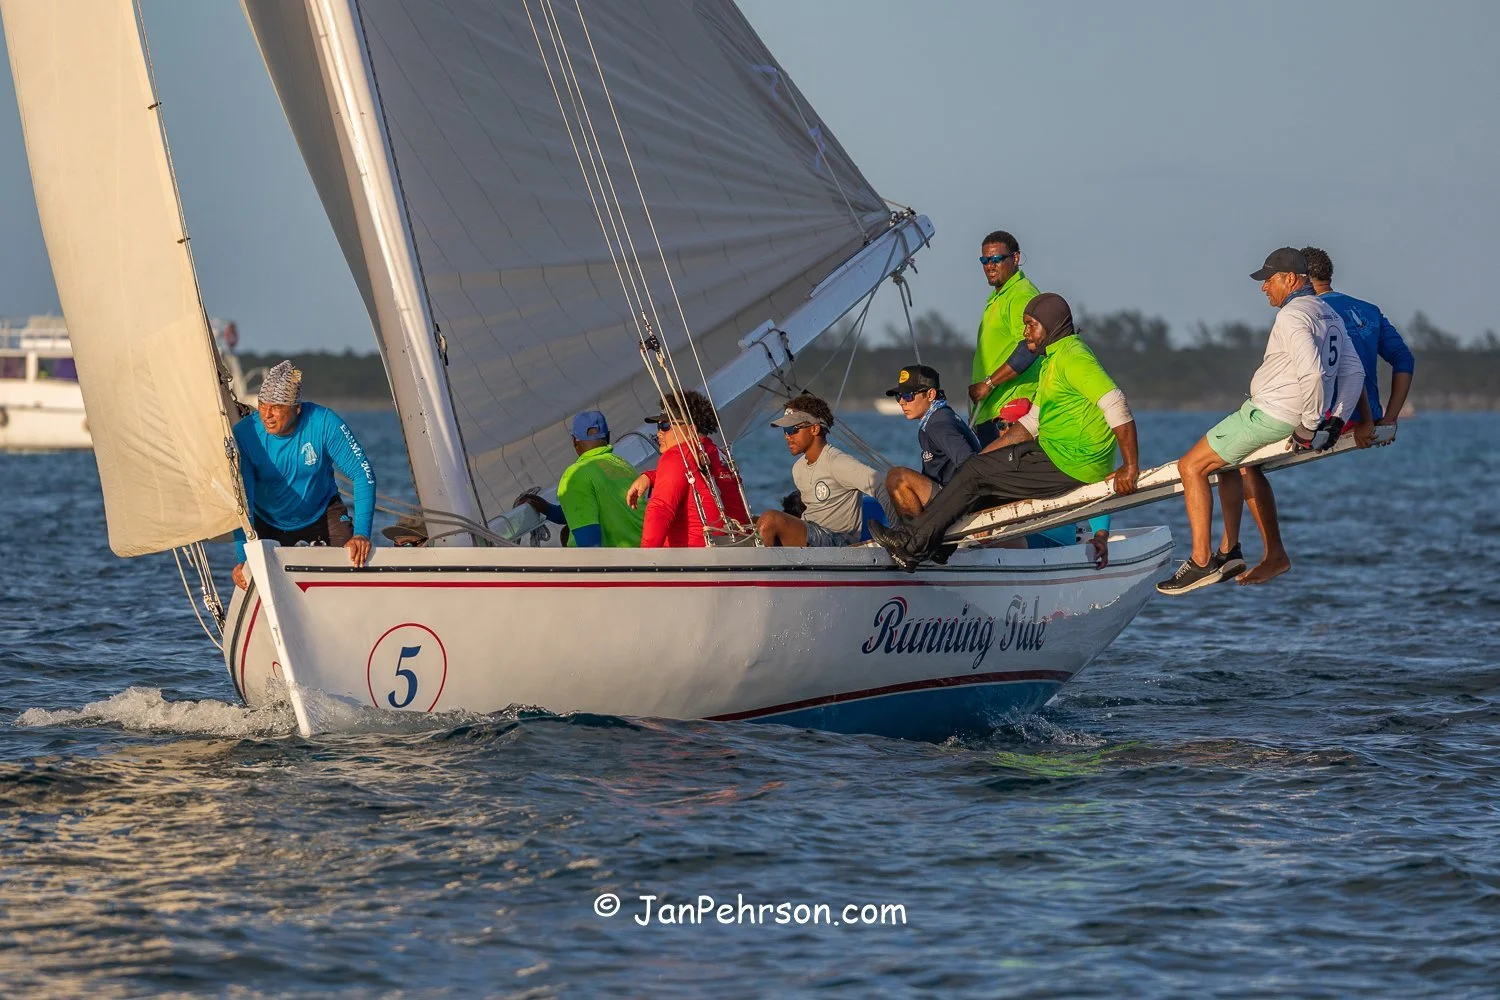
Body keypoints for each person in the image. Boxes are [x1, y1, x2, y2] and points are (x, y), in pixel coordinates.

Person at [870, 293, 1139, 570]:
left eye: (1031, 325)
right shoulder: (1052, 360)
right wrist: (982, 459)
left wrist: (1130, 467)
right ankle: (941, 548)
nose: (1025, 333)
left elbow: (1115, 401)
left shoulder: (1074, 357)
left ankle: (912, 546)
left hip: (1070, 462)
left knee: (976, 474)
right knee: (978, 474)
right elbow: (1032, 422)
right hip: (1055, 453)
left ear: (1051, 326)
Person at [1157, 248, 1365, 596]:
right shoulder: (1327, 312)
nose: (1263, 287)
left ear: (1290, 278)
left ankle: (1201, 561)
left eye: (1268, 280)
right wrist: (1335, 420)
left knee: (1190, 466)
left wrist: (1310, 425)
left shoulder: (1292, 316)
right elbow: (1353, 372)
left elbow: (1313, 373)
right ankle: (1229, 552)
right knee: (1227, 464)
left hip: (1272, 414)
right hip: (1287, 412)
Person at [230, 361, 376, 589]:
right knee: (252, 576)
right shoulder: (246, 434)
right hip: (268, 520)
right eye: (262, 405)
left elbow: (362, 474)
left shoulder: (323, 422)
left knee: (355, 561)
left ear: (297, 408)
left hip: (322, 512)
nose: (266, 414)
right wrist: (243, 557)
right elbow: (241, 499)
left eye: (276, 407)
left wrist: (361, 534)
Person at [1302, 246, 1415, 440]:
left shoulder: (1309, 313)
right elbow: (1404, 359)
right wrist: (1389, 418)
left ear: (1300, 277)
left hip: (1332, 420)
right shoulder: (1370, 310)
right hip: (1370, 417)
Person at [755, 393, 891, 547]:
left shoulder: (838, 462)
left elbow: (882, 486)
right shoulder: (798, 468)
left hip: (838, 541)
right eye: (785, 430)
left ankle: (765, 562)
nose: (787, 436)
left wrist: (898, 530)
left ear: (814, 429)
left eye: (792, 429)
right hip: (813, 533)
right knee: (751, 523)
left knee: (769, 520)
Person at [633, 389, 750, 548]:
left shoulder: (677, 455)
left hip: (693, 556)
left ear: (691, 429)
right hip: (736, 549)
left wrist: (645, 557)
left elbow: (660, 509)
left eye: (666, 425)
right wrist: (650, 476)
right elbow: (695, 474)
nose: (659, 433)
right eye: (658, 426)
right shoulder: (718, 454)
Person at [520, 410, 645, 547]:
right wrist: (548, 509)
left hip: (618, 559)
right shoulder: (624, 465)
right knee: (566, 531)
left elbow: (589, 543)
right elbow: (584, 508)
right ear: (608, 436)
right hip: (645, 553)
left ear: (574, 441)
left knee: (566, 533)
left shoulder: (576, 474)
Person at [967, 230, 1041, 447]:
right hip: (990, 409)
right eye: (985, 260)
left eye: (997, 259)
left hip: (1009, 414)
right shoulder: (1000, 296)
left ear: (1015, 258)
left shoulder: (1020, 295)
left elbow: (1031, 346)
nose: (990, 266)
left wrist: (988, 384)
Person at [882, 364, 981, 519]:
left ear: (930, 394)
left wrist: (973, 509)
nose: (901, 402)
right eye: (898, 396)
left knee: (896, 477)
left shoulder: (938, 424)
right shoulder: (936, 418)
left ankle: (915, 531)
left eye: (908, 396)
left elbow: (970, 463)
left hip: (959, 501)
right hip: (948, 493)